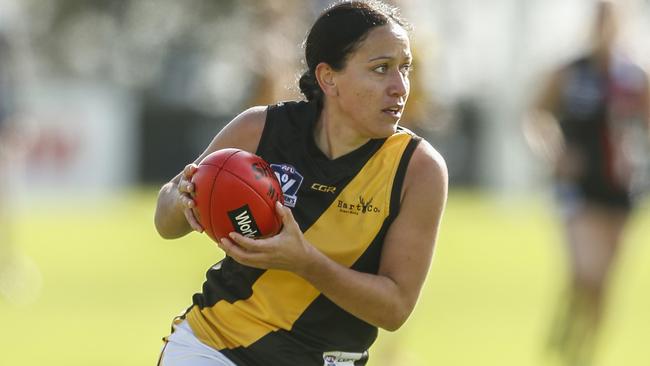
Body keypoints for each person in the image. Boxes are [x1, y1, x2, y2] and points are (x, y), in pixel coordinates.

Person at [153, 1, 448, 365]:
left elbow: (394, 309)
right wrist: (183, 198)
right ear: (328, 78)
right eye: (381, 69)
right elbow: (165, 220)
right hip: (214, 346)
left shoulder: (418, 169)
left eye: (405, 69)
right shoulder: (260, 128)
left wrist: (304, 261)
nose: (400, 87)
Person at [524, 1, 649, 365]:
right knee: (587, 271)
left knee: (604, 283)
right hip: (579, 188)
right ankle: (569, 335)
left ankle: (584, 354)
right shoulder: (570, 71)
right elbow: (536, 115)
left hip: (621, 189)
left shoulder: (634, 76)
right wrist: (555, 153)